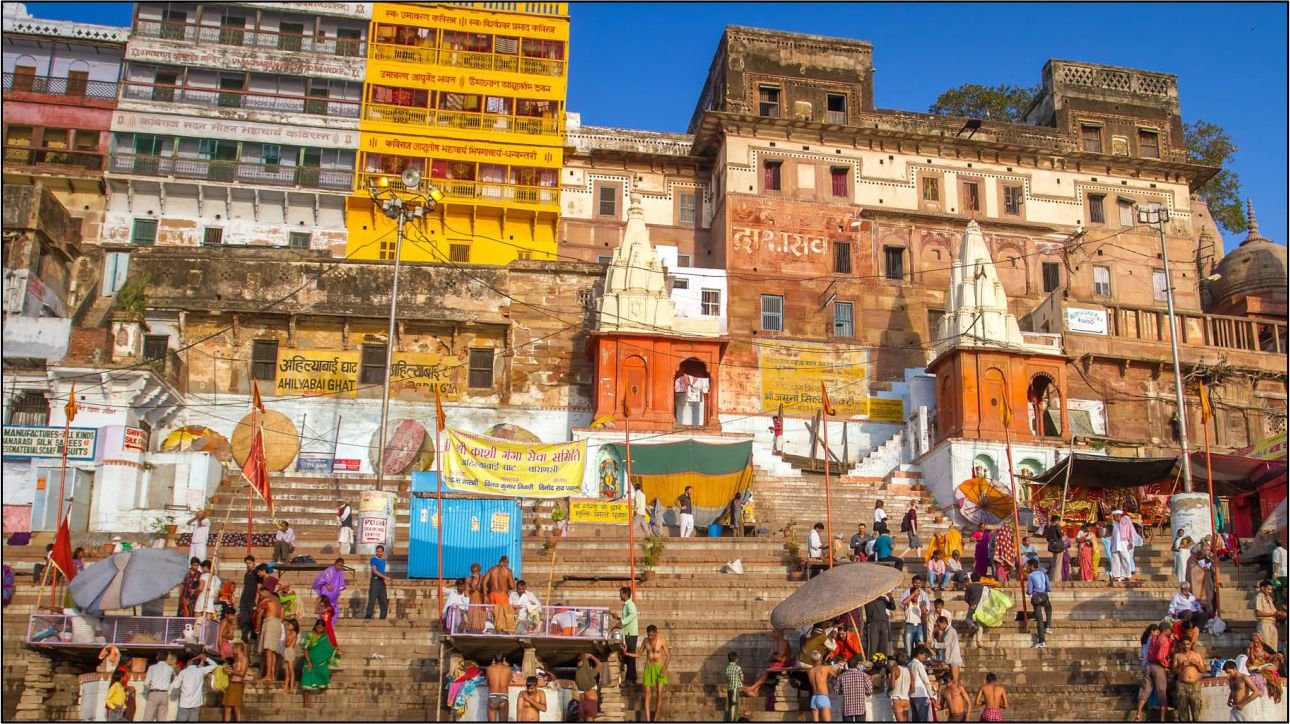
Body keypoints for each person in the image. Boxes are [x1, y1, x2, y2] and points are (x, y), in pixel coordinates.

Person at [625, 624, 670, 722]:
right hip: (648, 668)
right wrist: (627, 654)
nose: (650, 637)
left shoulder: (661, 640)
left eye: (652, 636)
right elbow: (639, 654)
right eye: (648, 635)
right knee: (648, 693)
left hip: (660, 668)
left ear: (656, 634)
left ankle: (655, 719)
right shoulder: (645, 641)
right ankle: (648, 720)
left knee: (659, 694)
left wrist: (664, 668)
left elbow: (668, 656)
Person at [1136, 624, 1172, 722]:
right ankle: (1162, 718)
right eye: (1170, 630)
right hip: (1158, 667)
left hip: (1148, 665)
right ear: (1166, 630)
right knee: (1161, 692)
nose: (1171, 632)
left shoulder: (1153, 638)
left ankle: (1138, 714)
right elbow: (1160, 657)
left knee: (1145, 690)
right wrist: (1168, 665)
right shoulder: (1163, 640)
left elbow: (1147, 652)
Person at [741, 628, 794, 697]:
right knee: (760, 673)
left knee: (766, 672)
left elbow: (780, 657)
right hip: (777, 664)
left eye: (774, 632)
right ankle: (755, 692)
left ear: (779, 633)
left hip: (785, 665)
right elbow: (769, 657)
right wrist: (776, 657)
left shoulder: (784, 643)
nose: (772, 633)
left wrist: (775, 657)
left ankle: (752, 688)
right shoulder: (775, 643)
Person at [1171, 634, 1205, 722]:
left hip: (1195, 685)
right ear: (1181, 645)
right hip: (1182, 685)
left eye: (1188, 644)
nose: (1186, 646)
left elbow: (1203, 670)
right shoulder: (1177, 656)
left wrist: (1196, 664)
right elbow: (1174, 672)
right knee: (1183, 711)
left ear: (1191, 644)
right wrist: (1181, 666)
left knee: (1196, 710)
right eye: (1184, 644)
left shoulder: (1197, 655)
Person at [835, 655, 873, 723]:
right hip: (860, 708)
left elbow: (836, 690)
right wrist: (866, 693)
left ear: (847, 664)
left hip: (847, 708)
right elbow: (870, 689)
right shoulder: (863, 675)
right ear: (857, 665)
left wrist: (843, 691)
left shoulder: (842, 676)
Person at [613, 586, 640, 684]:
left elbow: (633, 614)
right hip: (627, 633)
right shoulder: (626, 605)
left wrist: (622, 622)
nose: (620, 596)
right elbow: (626, 618)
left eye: (621, 593)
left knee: (630, 656)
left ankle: (631, 679)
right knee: (626, 656)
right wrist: (618, 618)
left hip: (631, 634)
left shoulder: (630, 604)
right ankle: (630, 678)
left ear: (625, 594)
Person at [301, 619, 335, 693]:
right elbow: (305, 648)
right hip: (310, 662)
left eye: (321, 628)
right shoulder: (309, 635)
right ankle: (306, 704)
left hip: (321, 662)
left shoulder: (325, 636)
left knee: (323, 680)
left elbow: (328, 648)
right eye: (318, 627)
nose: (319, 630)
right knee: (306, 683)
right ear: (315, 626)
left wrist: (336, 651)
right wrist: (308, 661)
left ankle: (321, 700)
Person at [1024, 560, 1052, 649]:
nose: (1027, 568)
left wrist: (1027, 592)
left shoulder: (1031, 576)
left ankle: (1041, 641)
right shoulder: (1043, 574)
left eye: (1028, 567)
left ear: (1032, 567)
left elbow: (1029, 590)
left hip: (1036, 598)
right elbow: (1049, 587)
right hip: (1044, 596)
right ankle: (1048, 626)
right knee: (1048, 608)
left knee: (1039, 620)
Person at [257, 589, 283, 682]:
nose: (260, 597)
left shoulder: (267, 599)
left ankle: (268, 675)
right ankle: (272, 675)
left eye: (260, 594)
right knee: (273, 651)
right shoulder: (277, 600)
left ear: (264, 592)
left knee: (268, 650)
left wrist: (257, 626)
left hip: (270, 623)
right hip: (278, 624)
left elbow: (259, 612)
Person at [901, 576, 931, 655]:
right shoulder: (908, 601)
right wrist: (913, 594)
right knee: (909, 649)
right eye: (915, 583)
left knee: (920, 648)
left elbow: (924, 616)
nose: (915, 597)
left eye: (917, 596)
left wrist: (924, 612)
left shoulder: (922, 599)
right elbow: (903, 603)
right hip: (909, 626)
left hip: (919, 626)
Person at [141, 653, 175, 721]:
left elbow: (146, 683)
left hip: (154, 693)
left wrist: (148, 690)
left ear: (157, 657)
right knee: (162, 717)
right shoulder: (170, 668)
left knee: (148, 716)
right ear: (166, 658)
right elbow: (172, 679)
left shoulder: (152, 667)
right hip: (164, 694)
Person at [804, 650, 836, 722]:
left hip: (814, 698)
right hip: (823, 697)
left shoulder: (809, 671)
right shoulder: (825, 668)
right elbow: (836, 675)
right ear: (821, 658)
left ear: (812, 660)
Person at [933, 615, 963, 684]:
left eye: (939, 625)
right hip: (948, 659)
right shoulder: (945, 632)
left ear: (944, 623)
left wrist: (933, 645)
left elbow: (945, 644)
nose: (938, 627)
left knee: (954, 682)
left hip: (954, 659)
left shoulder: (951, 631)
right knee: (949, 681)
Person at [1255, 579, 1284, 651]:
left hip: (1272, 625)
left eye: (1271, 590)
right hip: (1264, 624)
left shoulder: (1270, 598)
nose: (1270, 591)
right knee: (1266, 647)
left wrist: (1280, 613)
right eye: (1268, 589)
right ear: (1262, 588)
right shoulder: (1259, 597)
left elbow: (1275, 612)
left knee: (1274, 649)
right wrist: (1273, 614)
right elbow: (1258, 613)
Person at [223, 641, 248, 722]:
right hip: (231, 683)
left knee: (236, 707)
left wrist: (231, 670)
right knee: (227, 707)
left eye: (233, 648)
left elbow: (242, 673)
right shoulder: (236, 659)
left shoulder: (244, 659)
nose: (232, 650)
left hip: (237, 684)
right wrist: (227, 671)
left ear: (237, 649)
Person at [1110, 510, 1138, 584]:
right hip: (1115, 545)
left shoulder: (1126, 523)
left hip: (1123, 544)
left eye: (1114, 516)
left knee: (1125, 559)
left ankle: (1127, 575)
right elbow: (1113, 536)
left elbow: (1131, 532)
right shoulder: (1115, 525)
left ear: (1118, 516)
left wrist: (1131, 542)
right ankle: (1116, 576)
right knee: (1115, 560)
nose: (1113, 518)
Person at [908, 646, 933, 722]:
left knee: (915, 719)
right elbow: (926, 680)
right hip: (920, 695)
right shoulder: (919, 664)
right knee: (922, 719)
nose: (924, 657)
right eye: (924, 655)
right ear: (919, 654)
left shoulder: (909, 664)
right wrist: (931, 694)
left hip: (912, 696)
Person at [365, 545, 390, 620]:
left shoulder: (383, 561)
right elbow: (374, 571)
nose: (378, 553)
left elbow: (382, 571)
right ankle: (368, 618)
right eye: (377, 551)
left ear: (382, 552)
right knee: (372, 600)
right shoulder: (373, 559)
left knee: (384, 602)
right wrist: (385, 577)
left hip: (381, 582)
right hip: (375, 581)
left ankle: (382, 619)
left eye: (380, 552)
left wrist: (384, 579)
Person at [485, 653, 511, 722]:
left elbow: (487, 683)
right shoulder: (508, 669)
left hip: (492, 696)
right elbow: (508, 682)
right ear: (504, 659)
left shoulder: (489, 669)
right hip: (503, 697)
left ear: (494, 660)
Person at [577, 653, 603, 722]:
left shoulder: (578, 674)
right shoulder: (590, 674)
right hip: (590, 702)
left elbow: (581, 663)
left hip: (581, 704)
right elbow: (600, 664)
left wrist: (583, 658)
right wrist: (592, 656)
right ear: (589, 667)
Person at [238, 556, 258, 644]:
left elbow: (259, 587)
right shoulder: (246, 574)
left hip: (252, 600)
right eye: (247, 563)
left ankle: (253, 635)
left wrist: (256, 601)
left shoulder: (257, 573)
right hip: (244, 600)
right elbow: (245, 587)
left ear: (253, 563)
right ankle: (244, 635)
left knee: (253, 618)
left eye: (250, 563)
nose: (248, 565)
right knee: (244, 618)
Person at [466, 563, 488, 633]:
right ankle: (472, 629)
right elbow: (466, 592)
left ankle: (481, 629)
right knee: (473, 614)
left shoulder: (484, 578)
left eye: (476, 571)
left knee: (481, 614)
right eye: (473, 571)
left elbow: (487, 589)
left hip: (481, 599)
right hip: (473, 599)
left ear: (479, 571)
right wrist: (472, 589)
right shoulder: (468, 579)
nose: (474, 573)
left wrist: (481, 589)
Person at [889, 651, 911, 722]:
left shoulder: (894, 669)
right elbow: (913, 688)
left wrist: (888, 691)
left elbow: (892, 685)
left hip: (897, 699)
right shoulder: (909, 671)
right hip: (906, 699)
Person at [722, 651, 743, 722]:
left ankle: (731, 718)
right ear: (736, 659)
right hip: (735, 688)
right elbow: (742, 678)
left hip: (729, 688)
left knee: (730, 704)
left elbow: (727, 677)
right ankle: (733, 720)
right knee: (734, 704)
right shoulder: (738, 668)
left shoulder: (727, 668)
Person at [282, 619, 299, 694]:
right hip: (286, 651)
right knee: (286, 672)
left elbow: (287, 644)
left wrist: (286, 634)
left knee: (291, 671)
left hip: (290, 651)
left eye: (289, 625)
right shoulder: (289, 632)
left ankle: (291, 688)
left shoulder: (294, 633)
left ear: (293, 626)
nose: (287, 626)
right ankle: (285, 687)